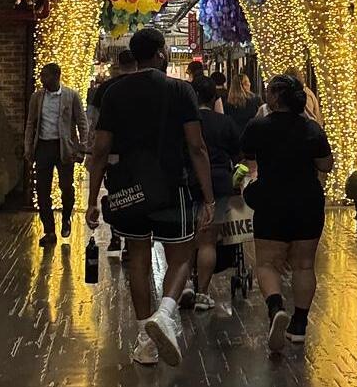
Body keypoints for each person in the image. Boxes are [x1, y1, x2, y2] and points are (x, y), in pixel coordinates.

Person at [87, 28, 215, 367]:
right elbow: (196, 146)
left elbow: (100, 149)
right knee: (181, 256)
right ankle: (166, 311)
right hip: (173, 187)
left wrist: (91, 199)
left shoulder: (112, 92)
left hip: (130, 191)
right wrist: (209, 197)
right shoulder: (180, 90)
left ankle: (145, 340)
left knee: (139, 262)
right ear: (160, 53)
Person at [240, 75, 333, 352]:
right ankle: (300, 325)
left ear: (277, 97)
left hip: (271, 200)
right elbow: (326, 165)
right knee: (305, 265)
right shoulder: (312, 128)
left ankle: (276, 307)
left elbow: (247, 158)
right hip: (307, 201)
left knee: (267, 263)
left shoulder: (258, 126)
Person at [181, 75, 239, 312]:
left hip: (188, 181)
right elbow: (238, 153)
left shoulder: (184, 122)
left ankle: (184, 284)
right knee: (208, 242)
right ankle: (203, 294)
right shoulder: (224, 122)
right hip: (219, 182)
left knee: (185, 240)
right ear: (214, 97)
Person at [24, 63, 88, 247]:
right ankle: (49, 231)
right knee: (42, 190)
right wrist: (28, 147)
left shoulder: (71, 96)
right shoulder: (37, 98)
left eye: (46, 76)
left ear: (57, 76)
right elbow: (30, 124)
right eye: (42, 76)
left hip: (64, 147)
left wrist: (82, 147)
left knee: (66, 187)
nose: (42, 80)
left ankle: (66, 217)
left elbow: (82, 122)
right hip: (43, 146)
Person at [86, 49, 137, 254]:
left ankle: (116, 234)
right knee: (137, 195)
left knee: (116, 192)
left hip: (111, 153)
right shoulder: (143, 87)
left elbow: (93, 122)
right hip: (138, 153)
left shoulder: (105, 89)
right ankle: (133, 240)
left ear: (117, 64)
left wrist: (93, 151)